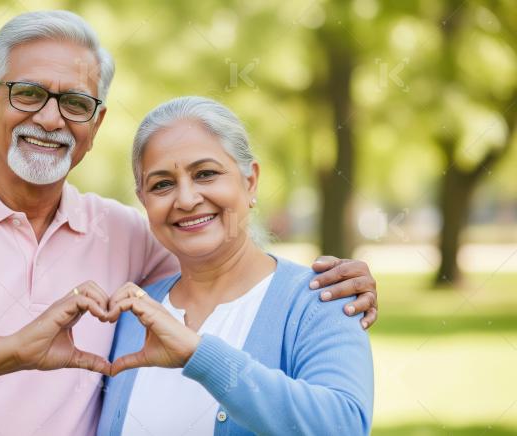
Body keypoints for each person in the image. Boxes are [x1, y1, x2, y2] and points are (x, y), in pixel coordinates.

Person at [0, 10, 378, 436]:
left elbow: (226, 266)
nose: (49, 118)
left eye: (75, 102)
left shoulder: (129, 235)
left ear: (96, 123)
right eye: (27, 93)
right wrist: (5, 353)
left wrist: (345, 284)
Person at [98, 97, 373, 435]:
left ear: (250, 181)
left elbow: (342, 427)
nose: (186, 199)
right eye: (162, 184)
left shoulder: (321, 300)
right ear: (144, 200)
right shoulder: (130, 315)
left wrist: (198, 354)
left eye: (206, 174)